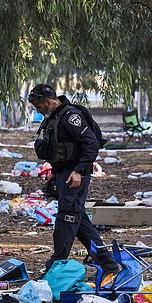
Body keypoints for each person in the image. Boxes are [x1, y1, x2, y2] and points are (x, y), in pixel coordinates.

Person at [28, 84, 119, 277]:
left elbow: (91, 144)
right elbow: (60, 149)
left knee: (66, 220)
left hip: (75, 177)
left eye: (39, 106)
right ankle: (108, 263)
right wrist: (56, 171)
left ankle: (57, 263)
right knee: (79, 221)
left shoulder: (71, 117)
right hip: (64, 174)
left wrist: (78, 171)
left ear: (48, 101)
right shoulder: (54, 117)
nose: (38, 110)